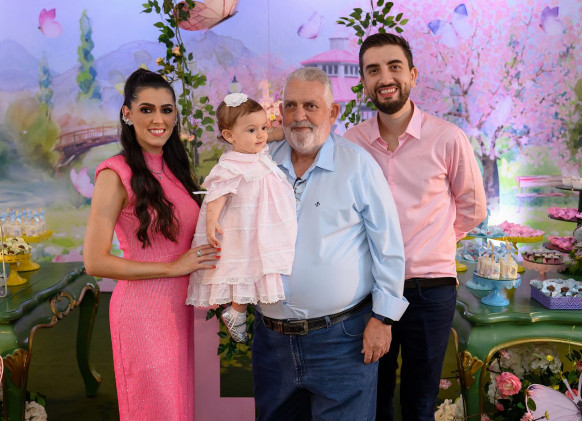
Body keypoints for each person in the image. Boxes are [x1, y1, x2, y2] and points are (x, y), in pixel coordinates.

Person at [252, 66, 409, 421]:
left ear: (333, 112)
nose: (299, 115)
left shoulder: (358, 165)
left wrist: (383, 318)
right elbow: (231, 140)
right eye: (290, 106)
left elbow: (388, 247)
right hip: (272, 342)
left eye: (311, 106)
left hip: (343, 340)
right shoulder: (261, 162)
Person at [344, 33, 487, 421]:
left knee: (420, 401)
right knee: (373, 398)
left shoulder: (448, 138)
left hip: (431, 289)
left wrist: (432, 240)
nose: (385, 77)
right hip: (369, 289)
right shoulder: (352, 143)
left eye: (394, 67)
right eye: (373, 70)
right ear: (364, 80)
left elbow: (473, 208)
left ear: (413, 74)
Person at [83, 68, 219, 421]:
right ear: (127, 114)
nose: (159, 119)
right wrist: (172, 267)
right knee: (155, 409)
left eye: (166, 109)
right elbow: (95, 261)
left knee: (177, 407)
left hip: (179, 308)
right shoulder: (115, 173)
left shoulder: (174, 168)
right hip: (142, 313)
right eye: (147, 109)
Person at [186, 93, 297, 343]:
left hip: (264, 225)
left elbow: (276, 134)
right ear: (229, 136)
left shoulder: (260, 152)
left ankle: (239, 313)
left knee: (260, 265)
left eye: (262, 128)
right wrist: (211, 222)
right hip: (245, 227)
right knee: (245, 268)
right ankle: (236, 313)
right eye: (251, 130)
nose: (260, 135)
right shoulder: (230, 164)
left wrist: (289, 128)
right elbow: (216, 195)